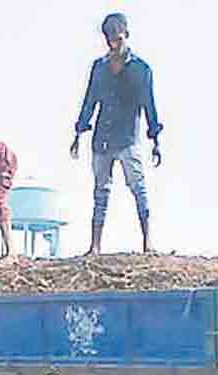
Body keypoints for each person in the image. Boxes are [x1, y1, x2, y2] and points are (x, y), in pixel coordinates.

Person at [70, 12, 164, 255]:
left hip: (127, 137)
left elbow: (149, 104)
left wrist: (155, 139)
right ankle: (95, 246)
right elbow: (89, 100)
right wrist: (79, 132)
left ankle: (147, 243)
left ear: (126, 35)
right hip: (102, 138)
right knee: (100, 191)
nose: (115, 43)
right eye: (111, 39)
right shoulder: (99, 68)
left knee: (138, 187)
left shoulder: (141, 70)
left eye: (118, 38)